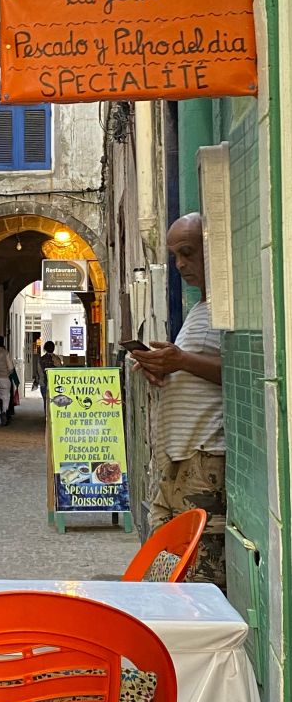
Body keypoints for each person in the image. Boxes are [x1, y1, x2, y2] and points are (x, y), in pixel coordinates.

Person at [131, 213, 225, 588]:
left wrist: (181, 360)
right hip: (176, 458)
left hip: (204, 457)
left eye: (187, 253)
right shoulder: (200, 309)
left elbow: (242, 373)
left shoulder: (227, 308)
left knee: (199, 572)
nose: (180, 264)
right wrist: (163, 369)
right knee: (165, 565)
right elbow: (198, 370)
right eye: (174, 257)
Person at [36, 340, 62, 409]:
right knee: (55, 403)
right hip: (55, 384)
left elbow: (39, 372)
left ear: (45, 348)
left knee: (46, 402)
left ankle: (46, 418)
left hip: (44, 384)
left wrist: (39, 381)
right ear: (53, 348)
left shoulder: (41, 359)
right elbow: (60, 371)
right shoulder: (57, 359)